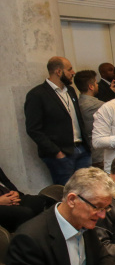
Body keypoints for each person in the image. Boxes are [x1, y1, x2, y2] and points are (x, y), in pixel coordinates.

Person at [24, 56, 92, 185]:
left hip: (82, 150)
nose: (73, 72)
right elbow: (33, 129)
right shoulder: (37, 94)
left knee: (87, 189)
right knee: (67, 191)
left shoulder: (70, 90)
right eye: (69, 69)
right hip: (62, 155)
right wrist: (57, 152)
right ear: (58, 71)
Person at [0, 165, 54, 233]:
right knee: (25, 213)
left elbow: (6, 182)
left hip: (9, 197)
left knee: (44, 202)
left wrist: (16, 193)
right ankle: (24, 238)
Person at [74, 70, 104, 167]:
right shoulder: (93, 104)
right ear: (91, 86)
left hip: (91, 151)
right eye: (96, 83)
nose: (97, 85)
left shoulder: (79, 102)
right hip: (99, 154)